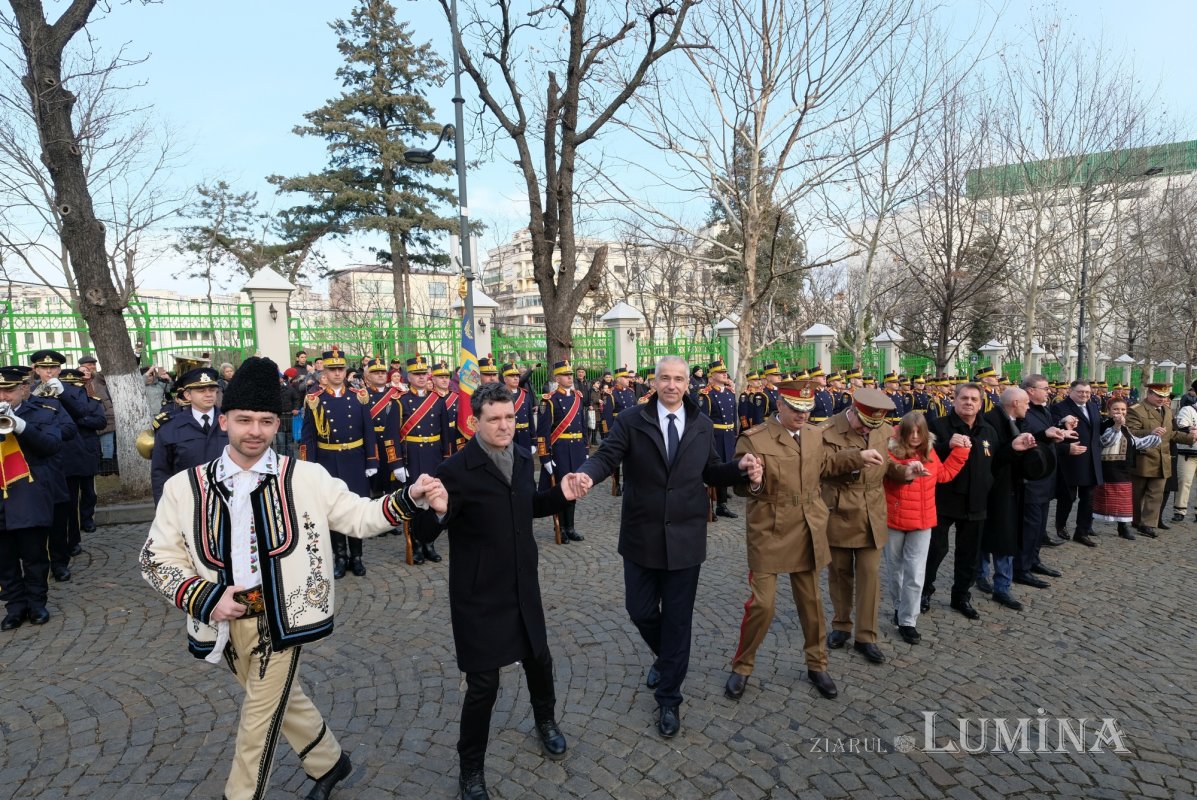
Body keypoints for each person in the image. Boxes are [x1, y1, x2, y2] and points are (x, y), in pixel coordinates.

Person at [141, 356, 435, 800]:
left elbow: (360, 517)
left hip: (284, 619)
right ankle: (331, 763)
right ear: (224, 421)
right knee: (282, 700)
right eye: (243, 420)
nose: (254, 431)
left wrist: (410, 496)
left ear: (277, 424)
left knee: (257, 719)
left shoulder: (307, 478)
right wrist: (203, 598)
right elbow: (155, 559)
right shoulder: (185, 487)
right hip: (219, 619)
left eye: (265, 421)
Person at [573, 355, 762, 738]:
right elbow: (607, 457)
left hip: (686, 538)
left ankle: (669, 697)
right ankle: (667, 657)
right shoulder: (632, 421)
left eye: (678, 379)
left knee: (677, 620)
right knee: (640, 610)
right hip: (642, 535)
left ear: (687, 384)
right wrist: (586, 476)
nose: (672, 385)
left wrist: (739, 468)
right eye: (665, 378)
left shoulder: (702, 424)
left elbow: (711, 471)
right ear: (654, 382)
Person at [423, 381, 583, 800]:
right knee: (483, 686)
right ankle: (470, 769)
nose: (504, 425)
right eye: (494, 419)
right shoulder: (454, 470)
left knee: (539, 659)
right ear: (474, 422)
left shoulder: (523, 455)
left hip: (521, 581)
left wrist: (559, 496)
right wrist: (436, 509)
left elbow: (526, 507)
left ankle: (545, 721)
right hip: (479, 593)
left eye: (510, 417)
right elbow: (424, 531)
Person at [725, 380, 865, 702]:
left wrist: (858, 457)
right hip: (770, 527)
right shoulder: (754, 439)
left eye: (807, 409)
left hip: (808, 525)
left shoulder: (815, 435)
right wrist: (754, 480)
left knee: (811, 602)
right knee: (763, 604)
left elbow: (825, 466)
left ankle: (817, 664)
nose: (802, 415)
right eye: (796, 409)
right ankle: (742, 666)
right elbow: (742, 488)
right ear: (780, 406)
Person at [820, 387, 916, 664]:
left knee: (869, 576)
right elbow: (820, 468)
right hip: (838, 510)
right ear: (853, 410)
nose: (866, 429)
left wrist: (904, 472)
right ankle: (841, 625)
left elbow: (887, 465)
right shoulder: (826, 430)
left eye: (871, 425)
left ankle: (866, 635)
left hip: (872, 513)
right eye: (862, 422)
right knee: (839, 574)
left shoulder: (883, 430)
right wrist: (854, 460)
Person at [883, 411, 969, 644]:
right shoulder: (890, 452)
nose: (914, 437)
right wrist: (906, 473)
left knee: (916, 573)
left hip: (922, 521)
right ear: (901, 432)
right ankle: (899, 607)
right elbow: (885, 478)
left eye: (918, 432)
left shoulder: (930, 452)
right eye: (909, 432)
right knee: (895, 570)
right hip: (894, 520)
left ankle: (908, 620)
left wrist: (960, 452)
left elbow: (943, 475)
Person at [922, 383, 1001, 620]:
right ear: (954, 400)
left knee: (969, 554)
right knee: (935, 550)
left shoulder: (988, 430)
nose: (969, 402)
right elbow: (923, 457)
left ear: (981, 403)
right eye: (964, 398)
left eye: (974, 399)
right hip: (943, 500)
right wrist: (947, 446)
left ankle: (960, 596)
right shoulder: (938, 426)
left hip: (976, 501)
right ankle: (924, 592)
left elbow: (995, 463)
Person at [975, 388, 1058, 611]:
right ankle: (996, 583)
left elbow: (1019, 444)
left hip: (1012, 487)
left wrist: (1042, 436)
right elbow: (989, 459)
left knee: (1003, 536)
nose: (1029, 408)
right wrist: (1012, 449)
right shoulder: (990, 423)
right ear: (1014, 403)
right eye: (1026, 404)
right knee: (998, 537)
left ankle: (993, 580)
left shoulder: (1013, 419)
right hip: (996, 490)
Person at [300, 347, 378, 577]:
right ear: (324, 370)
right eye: (332, 369)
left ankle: (357, 557)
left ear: (345, 371)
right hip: (328, 461)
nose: (336, 373)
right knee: (333, 512)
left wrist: (371, 460)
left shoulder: (359, 396)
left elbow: (369, 431)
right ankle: (340, 557)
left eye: (340, 369)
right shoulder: (315, 400)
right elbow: (308, 439)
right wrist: (309, 468)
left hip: (355, 459)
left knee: (355, 509)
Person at [0, 365, 65, 630]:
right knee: (4, 559)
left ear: (24, 389)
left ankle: (37, 603)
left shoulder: (42, 413)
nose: (3, 397)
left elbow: (51, 446)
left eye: (9, 391)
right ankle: (14, 607)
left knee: (34, 555)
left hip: (28, 495)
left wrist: (20, 426)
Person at [30, 351, 104, 582]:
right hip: (36, 462)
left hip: (65, 456)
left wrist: (63, 396)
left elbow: (83, 414)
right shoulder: (27, 391)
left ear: (59, 370)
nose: (49, 372)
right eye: (44, 368)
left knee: (63, 511)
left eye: (53, 368)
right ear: (36, 369)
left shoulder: (71, 391)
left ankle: (60, 560)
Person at [394, 355, 452, 564]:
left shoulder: (437, 400)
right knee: (416, 503)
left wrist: (447, 458)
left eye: (423, 374)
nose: (420, 378)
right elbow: (392, 436)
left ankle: (430, 542)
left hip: (434, 455)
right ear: (408, 376)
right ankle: (416, 543)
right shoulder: (400, 401)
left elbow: (446, 433)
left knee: (434, 500)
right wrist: (397, 464)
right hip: (413, 457)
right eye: (416, 374)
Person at [151, 367, 230, 505]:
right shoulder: (170, 427)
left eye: (212, 390)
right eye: (201, 390)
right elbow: (161, 473)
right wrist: (164, 508)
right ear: (188, 395)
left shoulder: (232, 422)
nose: (208, 394)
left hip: (225, 500)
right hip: (187, 501)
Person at [1127, 382, 1195, 537]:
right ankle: (1136, 520)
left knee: (1156, 493)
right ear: (1149, 393)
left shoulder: (1167, 411)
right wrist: (1150, 432)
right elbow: (1130, 432)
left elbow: (1170, 434)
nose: (1162, 399)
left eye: (1164, 396)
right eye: (1159, 396)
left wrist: (1190, 438)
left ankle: (1148, 524)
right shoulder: (1136, 410)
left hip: (1163, 459)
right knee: (1137, 494)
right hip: (1143, 458)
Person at [1016, 375, 1065, 587]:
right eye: (1044, 388)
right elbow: (1026, 437)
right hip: (1032, 478)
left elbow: (1047, 431)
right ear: (1030, 390)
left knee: (1040, 525)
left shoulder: (1043, 409)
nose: (1049, 391)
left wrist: (1062, 426)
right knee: (1030, 525)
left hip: (1046, 477)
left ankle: (1034, 560)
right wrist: (1046, 434)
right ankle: (1021, 568)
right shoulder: (1022, 411)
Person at [1093, 397, 1161, 538]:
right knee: (1103, 496)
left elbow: (1135, 443)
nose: (1120, 412)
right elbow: (1106, 441)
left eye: (1123, 409)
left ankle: (1122, 527)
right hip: (1109, 467)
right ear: (1109, 411)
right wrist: (1116, 426)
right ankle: (1088, 524)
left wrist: (1154, 436)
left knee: (1123, 498)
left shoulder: (1125, 427)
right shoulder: (1105, 424)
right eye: (1116, 409)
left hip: (1124, 467)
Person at [536, 360, 588, 542]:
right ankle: (561, 529)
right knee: (560, 489)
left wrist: (586, 448)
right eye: (566, 375)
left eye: (571, 375)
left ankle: (570, 527)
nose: (570, 378)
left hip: (576, 448)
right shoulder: (548, 400)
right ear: (557, 378)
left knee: (574, 488)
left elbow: (582, 424)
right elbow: (542, 433)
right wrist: (545, 458)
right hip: (560, 450)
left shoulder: (577, 397)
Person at [1051, 380, 1103, 547]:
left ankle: (1082, 531)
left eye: (1087, 392)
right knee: (1068, 497)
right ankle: (1061, 525)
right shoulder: (1060, 407)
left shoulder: (1093, 406)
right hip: (1071, 458)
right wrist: (1061, 424)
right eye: (1080, 392)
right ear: (1071, 391)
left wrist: (1114, 424)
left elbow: (1097, 429)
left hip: (1091, 459)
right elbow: (1051, 428)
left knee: (1088, 498)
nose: (1084, 395)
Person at [696, 358, 739, 517]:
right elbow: (703, 420)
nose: (724, 374)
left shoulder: (729, 392)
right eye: (720, 372)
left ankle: (722, 505)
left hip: (728, 435)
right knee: (713, 468)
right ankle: (709, 506)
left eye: (725, 372)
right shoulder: (706, 394)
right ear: (712, 375)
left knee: (726, 467)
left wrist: (735, 432)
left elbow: (734, 414)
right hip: (715, 435)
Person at [601, 367, 638, 496]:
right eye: (626, 377)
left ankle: (628, 482)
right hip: (618, 430)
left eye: (629, 377)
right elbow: (606, 416)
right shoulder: (611, 395)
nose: (629, 379)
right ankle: (616, 483)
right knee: (616, 458)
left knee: (631, 457)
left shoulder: (631, 392)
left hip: (631, 429)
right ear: (618, 379)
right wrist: (609, 433)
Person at [1171, 399, 1197, 523]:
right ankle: (1179, 510)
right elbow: (1182, 427)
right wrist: (1190, 430)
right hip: (1188, 453)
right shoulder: (1188, 410)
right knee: (1184, 482)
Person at [502, 362, 535, 452]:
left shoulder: (525, 394)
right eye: (512, 376)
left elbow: (530, 418)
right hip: (510, 436)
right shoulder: (500, 396)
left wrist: (533, 441)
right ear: (505, 379)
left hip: (525, 436)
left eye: (517, 375)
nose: (516, 378)